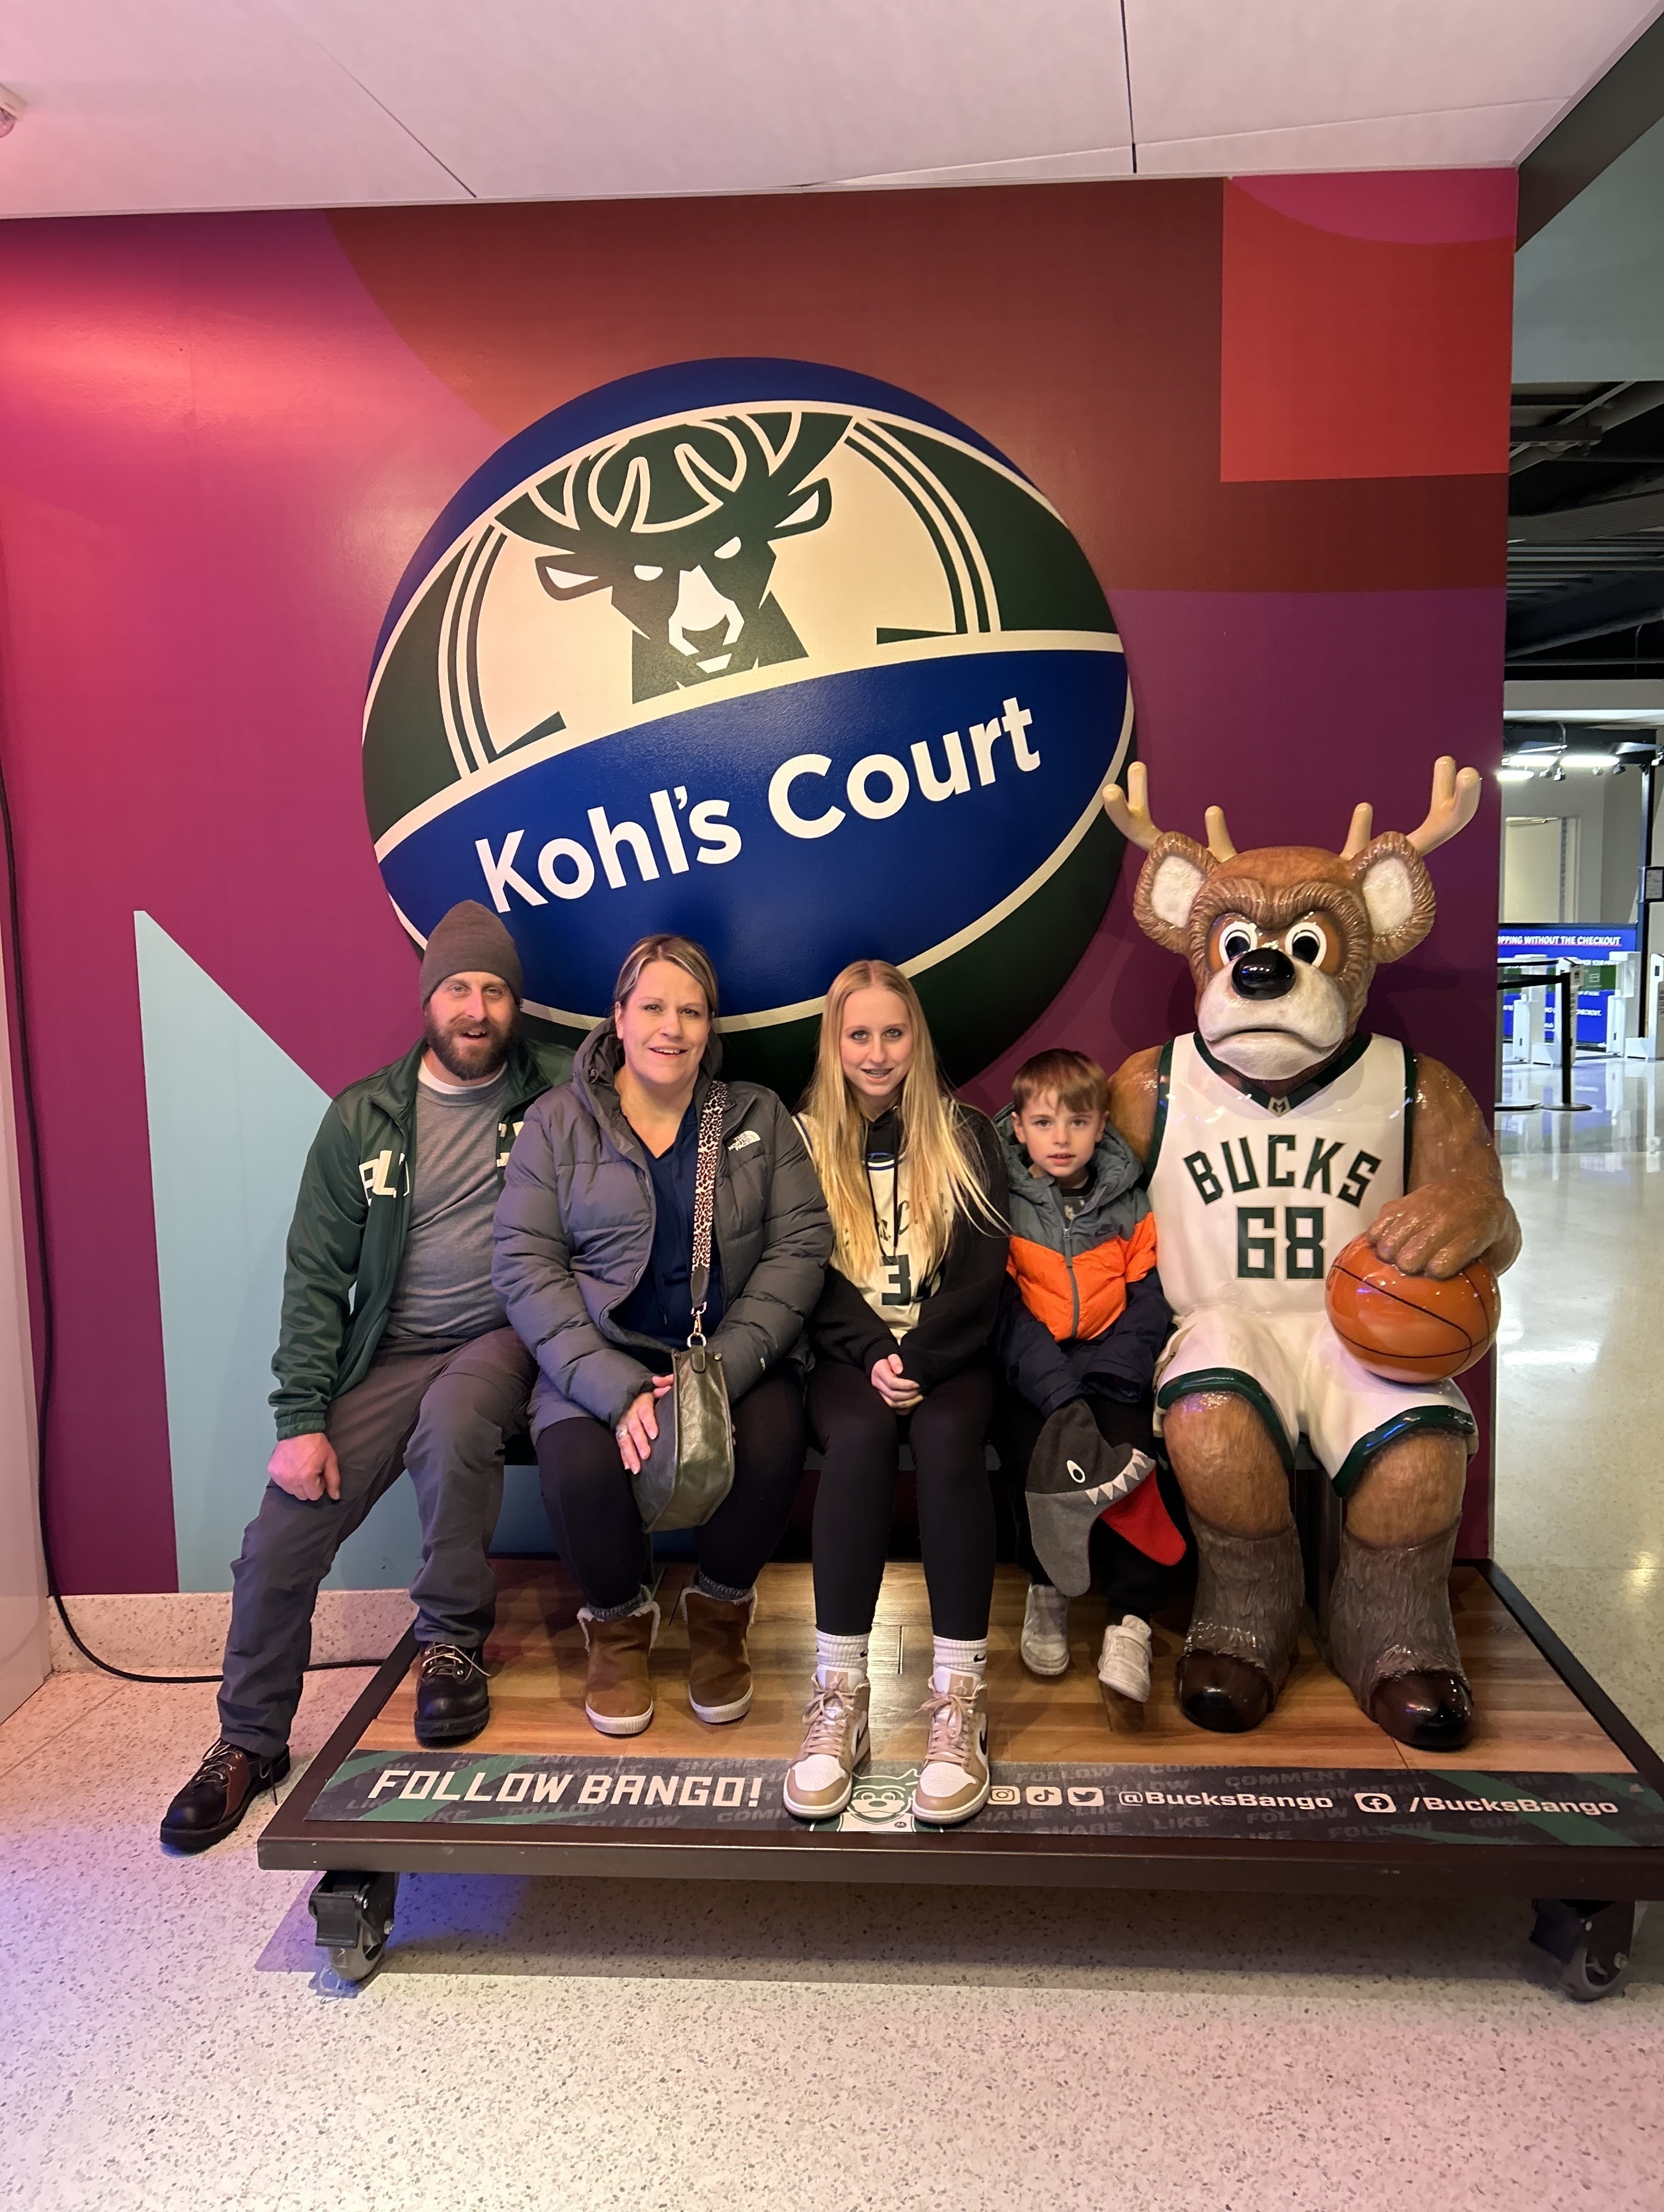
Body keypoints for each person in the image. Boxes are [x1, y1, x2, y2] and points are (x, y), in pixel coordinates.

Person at [160, 902, 570, 1853]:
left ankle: (450, 1647)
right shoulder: (362, 1118)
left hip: (501, 1335)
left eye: (495, 990)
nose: (476, 1008)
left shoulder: (555, 1093)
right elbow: (315, 1276)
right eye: (459, 988)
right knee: (278, 1537)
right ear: (429, 999)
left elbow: (649, 1081)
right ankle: (248, 1740)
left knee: (456, 1422)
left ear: (517, 1005)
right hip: (388, 1350)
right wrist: (300, 1418)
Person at [493, 934, 831, 1738]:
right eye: (652, 1007)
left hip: (729, 1350)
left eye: (691, 1011)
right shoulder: (556, 1122)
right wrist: (611, 1388)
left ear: (711, 1028)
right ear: (618, 1018)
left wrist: (727, 1366)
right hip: (600, 1352)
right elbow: (525, 1263)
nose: (671, 1028)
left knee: (774, 1438)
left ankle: (719, 1617)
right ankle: (617, 1631)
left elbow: (801, 1244)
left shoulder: (755, 1115)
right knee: (577, 1468)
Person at [784, 959, 1009, 1828]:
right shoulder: (804, 1138)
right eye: (859, 1035)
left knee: (951, 1441)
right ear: (834, 1044)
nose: (877, 1053)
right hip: (851, 1356)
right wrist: (875, 1350)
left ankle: (959, 1700)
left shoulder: (964, 1131)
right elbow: (803, 1267)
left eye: (893, 1033)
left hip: (948, 1356)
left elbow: (982, 1271)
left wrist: (922, 1355)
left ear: (917, 1038)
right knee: (859, 1438)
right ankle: (840, 1693)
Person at [989, 1049, 1187, 1712]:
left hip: (1109, 1362)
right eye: (1044, 1123)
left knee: (1131, 1452)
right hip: (1033, 1370)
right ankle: (1047, 1586)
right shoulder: (1002, 1200)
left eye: (1077, 1122)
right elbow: (1003, 1308)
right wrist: (1057, 1388)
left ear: (1101, 1125)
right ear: (1019, 1127)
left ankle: (1130, 1616)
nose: (1062, 1138)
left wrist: (1114, 1370)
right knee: (1036, 1452)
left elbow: (1150, 1294)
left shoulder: (1129, 1200)